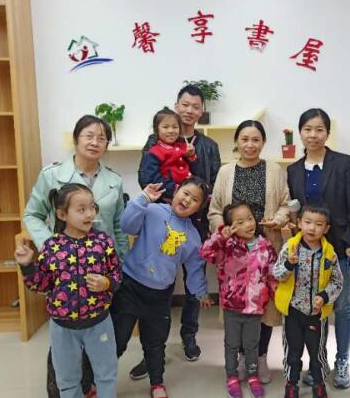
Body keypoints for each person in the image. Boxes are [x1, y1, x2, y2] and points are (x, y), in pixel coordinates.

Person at [23, 114, 128, 398]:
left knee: (99, 337)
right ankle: (64, 390)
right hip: (64, 271)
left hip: (101, 270)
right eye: (89, 136)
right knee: (64, 342)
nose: (95, 142)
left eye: (102, 137)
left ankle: (91, 386)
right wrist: (52, 247)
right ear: (76, 139)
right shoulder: (52, 175)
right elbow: (32, 215)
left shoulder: (114, 180)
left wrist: (119, 265)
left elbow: (118, 226)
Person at [132, 86, 220, 380]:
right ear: (176, 105)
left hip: (197, 224)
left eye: (195, 106)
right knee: (158, 285)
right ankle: (152, 351)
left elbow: (213, 183)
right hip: (163, 220)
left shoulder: (208, 146)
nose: (189, 111)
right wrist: (179, 194)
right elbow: (146, 178)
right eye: (185, 104)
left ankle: (189, 335)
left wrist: (197, 205)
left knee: (195, 281)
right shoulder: (155, 140)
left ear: (201, 110)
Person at [16, 183, 121, 398]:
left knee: (106, 375)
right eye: (81, 209)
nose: (89, 214)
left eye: (92, 207)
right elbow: (41, 285)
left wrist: (106, 283)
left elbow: (117, 276)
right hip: (62, 327)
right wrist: (27, 266)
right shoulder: (51, 246)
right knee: (67, 380)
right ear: (62, 214)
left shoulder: (103, 242)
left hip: (99, 322)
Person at [111, 178, 212, 398]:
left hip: (159, 295)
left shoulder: (194, 237)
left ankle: (157, 383)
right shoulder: (153, 210)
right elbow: (127, 226)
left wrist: (201, 292)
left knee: (155, 342)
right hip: (130, 287)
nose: (187, 200)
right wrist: (142, 199)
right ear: (176, 191)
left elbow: (195, 269)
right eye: (186, 193)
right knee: (117, 339)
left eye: (195, 200)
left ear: (199, 208)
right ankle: (97, 381)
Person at [208, 119, 290, 382]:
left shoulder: (274, 170)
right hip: (235, 255)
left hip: (265, 248)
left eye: (256, 139)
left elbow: (286, 204)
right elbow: (215, 210)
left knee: (265, 306)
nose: (250, 145)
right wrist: (224, 232)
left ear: (263, 142)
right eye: (244, 139)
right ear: (237, 142)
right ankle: (243, 356)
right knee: (239, 307)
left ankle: (261, 357)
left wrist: (278, 219)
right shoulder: (225, 172)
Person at [286, 108, 350, 388]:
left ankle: (343, 360)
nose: (313, 135)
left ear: (327, 133)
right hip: (308, 251)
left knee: (341, 306)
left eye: (319, 129)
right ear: (300, 133)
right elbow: (295, 208)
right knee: (314, 307)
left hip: (338, 246)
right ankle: (320, 361)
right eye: (307, 129)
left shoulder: (344, 163)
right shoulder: (294, 169)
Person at [201, 202, 278, 398]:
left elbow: (272, 275)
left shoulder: (265, 245)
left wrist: (278, 296)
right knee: (232, 344)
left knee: (252, 345)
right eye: (241, 222)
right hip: (231, 307)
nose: (248, 224)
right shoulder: (227, 246)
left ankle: (252, 376)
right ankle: (232, 376)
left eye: (250, 218)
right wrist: (221, 236)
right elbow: (206, 252)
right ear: (231, 226)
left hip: (255, 308)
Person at [274, 205, 343, 398]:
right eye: (308, 222)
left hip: (316, 314)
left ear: (326, 229)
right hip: (293, 311)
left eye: (319, 224)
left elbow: (337, 281)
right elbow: (277, 273)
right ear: (299, 223)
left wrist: (325, 296)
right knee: (292, 350)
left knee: (317, 352)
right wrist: (289, 264)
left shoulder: (329, 254)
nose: (312, 228)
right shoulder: (290, 248)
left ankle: (319, 383)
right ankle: (291, 383)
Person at [140, 107, 198, 200]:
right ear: (156, 130)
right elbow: (152, 179)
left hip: (189, 192)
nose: (171, 131)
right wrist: (174, 189)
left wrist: (191, 155)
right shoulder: (154, 152)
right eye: (165, 127)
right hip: (168, 197)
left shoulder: (184, 147)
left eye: (175, 127)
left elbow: (196, 169)